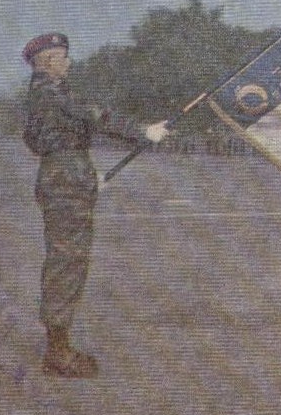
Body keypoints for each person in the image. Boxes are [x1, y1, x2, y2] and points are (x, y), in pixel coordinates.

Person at [22, 32, 170, 378]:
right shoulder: (50, 93)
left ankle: (56, 343)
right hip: (66, 177)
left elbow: (33, 138)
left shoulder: (43, 95)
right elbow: (96, 116)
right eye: (61, 56)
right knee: (67, 262)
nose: (68, 62)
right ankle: (57, 352)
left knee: (67, 259)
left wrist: (77, 170)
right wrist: (143, 131)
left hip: (65, 174)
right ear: (44, 62)